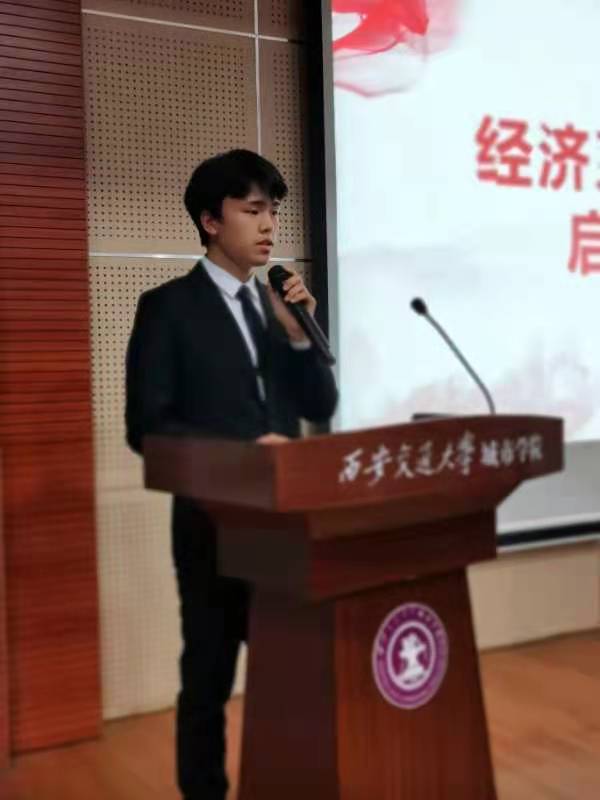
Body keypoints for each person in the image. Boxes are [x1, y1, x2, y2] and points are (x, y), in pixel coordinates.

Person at [125, 148, 338, 800]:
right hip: (211, 528)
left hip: (284, 528)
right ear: (210, 220)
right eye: (252, 210)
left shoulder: (275, 309)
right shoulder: (167, 308)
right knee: (208, 682)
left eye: (273, 210)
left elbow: (320, 405)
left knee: (292, 678)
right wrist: (243, 453)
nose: (269, 224)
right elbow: (148, 427)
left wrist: (299, 335)